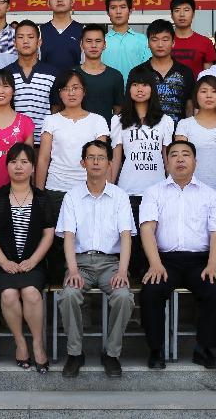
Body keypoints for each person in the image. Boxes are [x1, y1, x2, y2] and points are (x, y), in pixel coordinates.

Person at [139, 140, 216, 370]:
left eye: (185, 154)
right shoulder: (153, 193)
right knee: (151, 290)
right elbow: (147, 229)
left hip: (200, 261)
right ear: (167, 162)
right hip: (164, 261)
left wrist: (213, 264)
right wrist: (155, 264)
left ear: (195, 162)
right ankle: (156, 350)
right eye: (174, 155)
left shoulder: (210, 195)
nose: (180, 159)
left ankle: (205, 349)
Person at [56, 140, 136, 379]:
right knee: (69, 295)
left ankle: (111, 354)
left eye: (101, 158)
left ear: (109, 163)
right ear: (83, 163)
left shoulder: (120, 196)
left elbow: (126, 236)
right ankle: (75, 353)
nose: (96, 162)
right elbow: (68, 237)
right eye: (91, 157)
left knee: (124, 297)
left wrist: (123, 271)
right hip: (80, 263)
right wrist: (72, 270)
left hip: (110, 263)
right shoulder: (72, 196)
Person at [0, 143, 56, 372]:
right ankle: (20, 342)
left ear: (33, 167)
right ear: (7, 166)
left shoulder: (42, 199)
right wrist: (4, 262)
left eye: (24, 162)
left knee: (31, 293)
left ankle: (38, 344)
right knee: (9, 294)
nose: (19, 167)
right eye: (13, 162)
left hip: (34, 263)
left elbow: (49, 233)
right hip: (2, 265)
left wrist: (33, 260)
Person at [109, 68, 175, 255]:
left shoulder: (165, 121)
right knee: (131, 241)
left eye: (145, 85)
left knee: (155, 240)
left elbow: (167, 158)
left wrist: (172, 187)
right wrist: (110, 188)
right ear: (128, 89)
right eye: (135, 84)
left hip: (157, 189)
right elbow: (116, 158)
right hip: (128, 189)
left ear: (152, 88)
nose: (140, 89)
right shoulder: (118, 120)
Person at [36, 70, 110, 213]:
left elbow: (103, 159)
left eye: (75, 88)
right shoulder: (51, 120)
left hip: (89, 189)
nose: (71, 93)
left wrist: (107, 191)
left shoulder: (98, 121)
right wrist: (39, 193)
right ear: (59, 93)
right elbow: (43, 159)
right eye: (65, 89)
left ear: (84, 91)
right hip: (56, 188)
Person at [174, 76, 216, 193]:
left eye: (214, 91)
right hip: (191, 191)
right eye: (204, 91)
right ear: (196, 95)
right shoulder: (184, 124)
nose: (209, 95)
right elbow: (179, 159)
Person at [131, 19, 195, 123]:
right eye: (154, 40)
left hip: (178, 131)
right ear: (148, 43)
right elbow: (131, 105)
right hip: (146, 130)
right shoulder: (138, 72)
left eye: (165, 40)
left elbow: (190, 107)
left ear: (173, 42)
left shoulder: (185, 72)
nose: (160, 45)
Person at [6, 20, 59, 144]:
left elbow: (56, 108)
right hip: (13, 143)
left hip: (44, 143)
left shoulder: (53, 74)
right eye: (20, 37)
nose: (25, 41)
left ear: (39, 42)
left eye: (30, 37)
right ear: (14, 43)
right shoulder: (6, 74)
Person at [74, 24, 123, 123]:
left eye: (98, 41)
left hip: (106, 131)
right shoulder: (72, 74)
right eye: (89, 41)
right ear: (81, 45)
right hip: (75, 130)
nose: (93, 45)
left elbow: (118, 110)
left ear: (104, 45)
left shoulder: (115, 76)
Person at [101, 0, 151, 85]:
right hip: (107, 91)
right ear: (108, 12)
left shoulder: (142, 40)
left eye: (123, 7)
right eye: (113, 8)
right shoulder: (101, 41)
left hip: (136, 91)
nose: (118, 12)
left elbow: (148, 70)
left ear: (130, 11)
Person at [39, 0, 84, 73]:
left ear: (72, 1)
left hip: (75, 81)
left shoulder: (83, 31)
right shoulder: (39, 31)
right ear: (48, 3)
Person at [169, 0, 216, 77]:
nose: (182, 14)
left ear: (193, 14)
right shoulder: (163, 42)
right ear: (172, 15)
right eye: (177, 10)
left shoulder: (205, 43)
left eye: (186, 10)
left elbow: (209, 78)